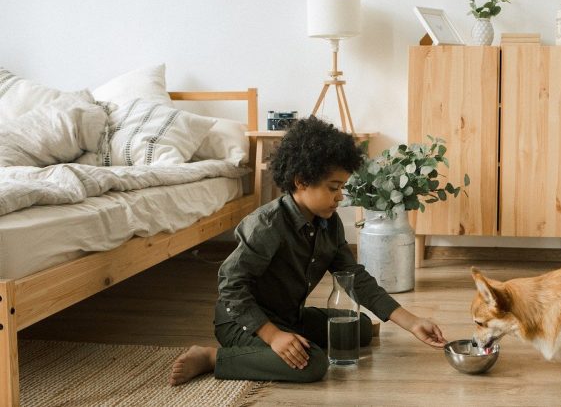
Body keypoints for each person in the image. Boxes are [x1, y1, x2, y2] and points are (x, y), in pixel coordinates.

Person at [169, 116, 447, 385]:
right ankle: (212, 357)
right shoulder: (267, 225)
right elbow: (230, 286)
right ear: (301, 181)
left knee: (359, 326)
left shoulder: (329, 223)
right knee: (312, 365)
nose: (341, 197)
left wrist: (411, 323)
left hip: (289, 316)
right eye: (334, 188)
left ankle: (288, 340)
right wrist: (273, 335)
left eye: (343, 188)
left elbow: (353, 276)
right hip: (243, 321)